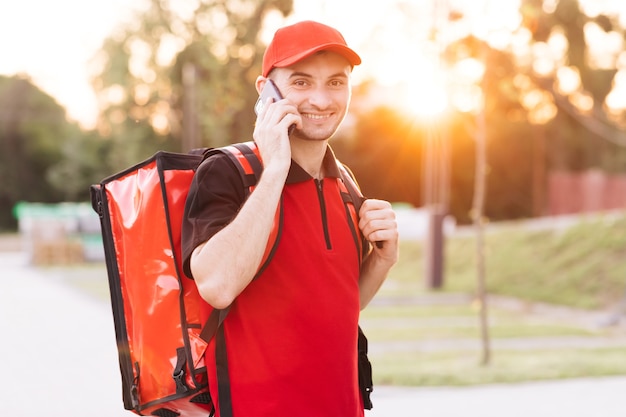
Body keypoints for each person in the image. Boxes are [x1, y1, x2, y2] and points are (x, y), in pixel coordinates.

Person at [181, 20, 399, 417]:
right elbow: (217, 287)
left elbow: (340, 307)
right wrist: (275, 168)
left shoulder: (345, 181)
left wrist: (381, 261)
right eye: (300, 82)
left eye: (336, 82)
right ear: (266, 91)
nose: (320, 99)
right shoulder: (226, 172)